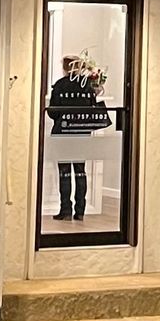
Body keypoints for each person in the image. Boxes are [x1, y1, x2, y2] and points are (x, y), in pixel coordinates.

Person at [46, 53, 110, 219]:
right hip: (82, 133)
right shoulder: (88, 86)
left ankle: (65, 210)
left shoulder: (60, 85)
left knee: (65, 173)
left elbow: (53, 112)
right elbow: (92, 108)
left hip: (63, 134)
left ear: (65, 68)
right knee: (80, 171)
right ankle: (80, 211)